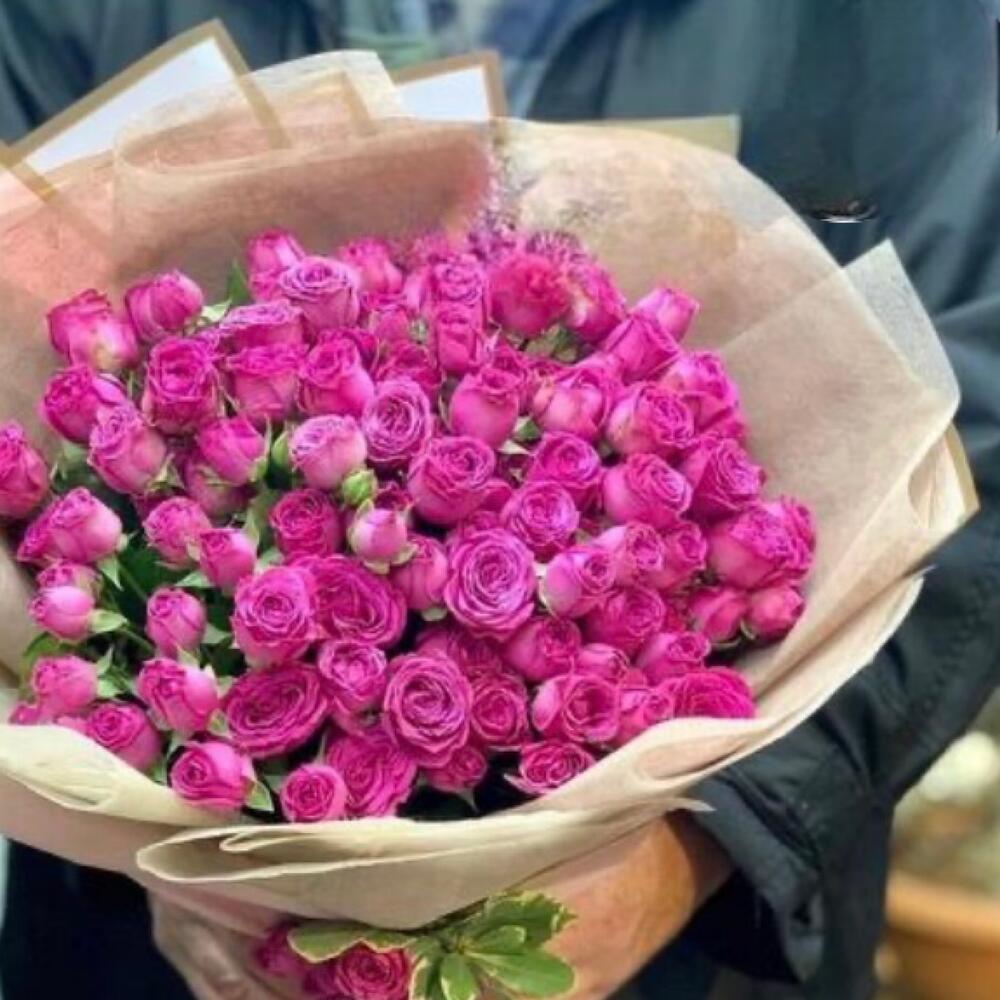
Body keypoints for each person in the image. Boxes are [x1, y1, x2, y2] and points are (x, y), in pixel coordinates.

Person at [2, 2, 1000, 998]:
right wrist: (182, 870)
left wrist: (706, 843)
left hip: (698, 958)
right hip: (138, 954)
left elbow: (969, 445)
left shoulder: (897, 26)